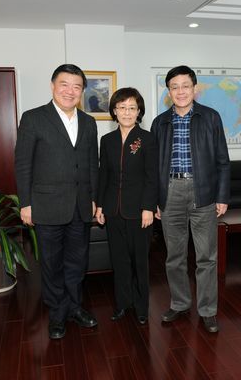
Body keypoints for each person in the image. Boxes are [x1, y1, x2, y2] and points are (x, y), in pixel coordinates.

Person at [14, 63, 99, 340]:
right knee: (51, 263)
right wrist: (26, 203)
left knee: (77, 262)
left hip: (81, 206)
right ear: (53, 86)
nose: (70, 91)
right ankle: (57, 314)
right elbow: (23, 164)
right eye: (64, 84)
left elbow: (92, 165)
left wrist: (94, 198)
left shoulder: (89, 122)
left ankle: (75, 307)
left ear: (82, 91)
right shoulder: (33, 118)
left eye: (77, 86)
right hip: (46, 205)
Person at [150, 65, 230, 333]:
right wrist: (155, 199)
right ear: (168, 91)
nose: (180, 91)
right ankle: (180, 303)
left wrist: (222, 195)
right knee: (174, 256)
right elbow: (153, 167)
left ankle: (208, 310)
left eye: (185, 85)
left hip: (203, 191)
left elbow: (223, 161)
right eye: (174, 87)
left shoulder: (211, 117)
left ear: (194, 88)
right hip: (170, 191)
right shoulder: (160, 122)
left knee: (206, 257)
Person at [95, 87, 158, 325]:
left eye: (132, 108)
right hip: (113, 210)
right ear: (114, 111)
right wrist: (100, 205)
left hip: (139, 211)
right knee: (119, 261)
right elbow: (103, 175)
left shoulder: (147, 139)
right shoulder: (107, 140)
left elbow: (152, 177)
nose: (127, 112)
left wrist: (148, 207)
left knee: (139, 262)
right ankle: (122, 304)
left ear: (139, 111)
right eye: (122, 107)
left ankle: (141, 307)